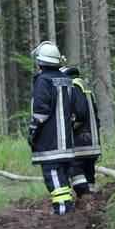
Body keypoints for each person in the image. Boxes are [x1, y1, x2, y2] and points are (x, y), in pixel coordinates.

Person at [28, 41, 80, 215]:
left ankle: (63, 212)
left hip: (49, 142)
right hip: (66, 142)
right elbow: (74, 108)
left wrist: (32, 132)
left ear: (41, 62)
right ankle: (66, 210)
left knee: (54, 177)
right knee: (62, 177)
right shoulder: (68, 81)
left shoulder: (43, 81)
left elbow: (40, 112)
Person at [61, 66, 101, 198]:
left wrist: (70, 128)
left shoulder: (73, 86)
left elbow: (80, 112)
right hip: (92, 141)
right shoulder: (84, 85)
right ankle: (91, 199)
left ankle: (85, 198)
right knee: (88, 171)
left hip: (80, 141)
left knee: (75, 168)